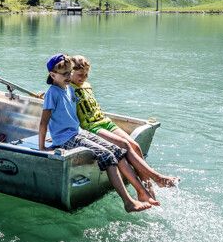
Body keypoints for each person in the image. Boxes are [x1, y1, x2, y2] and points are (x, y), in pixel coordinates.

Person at [38, 54, 154, 212]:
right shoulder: (52, 93)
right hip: (66, 138)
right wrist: (42, 147)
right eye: (64, 74)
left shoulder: (69, 90)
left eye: (70, 72)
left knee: (117, 151)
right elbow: (43, 122)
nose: (68, 76)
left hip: (78, 133)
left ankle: (141, 192)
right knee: (107, 156)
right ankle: (128, 201)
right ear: (53, 75)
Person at [70, 55, 178, 190]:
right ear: (70, 72)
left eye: (86, 74)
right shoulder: (68, 88)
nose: (83, 77)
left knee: (135, 146)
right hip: (91, 127)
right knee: (124, 145)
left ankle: (148, 187)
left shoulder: (87, 85)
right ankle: (157, 178)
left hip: (104, 121)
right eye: (80, 74)